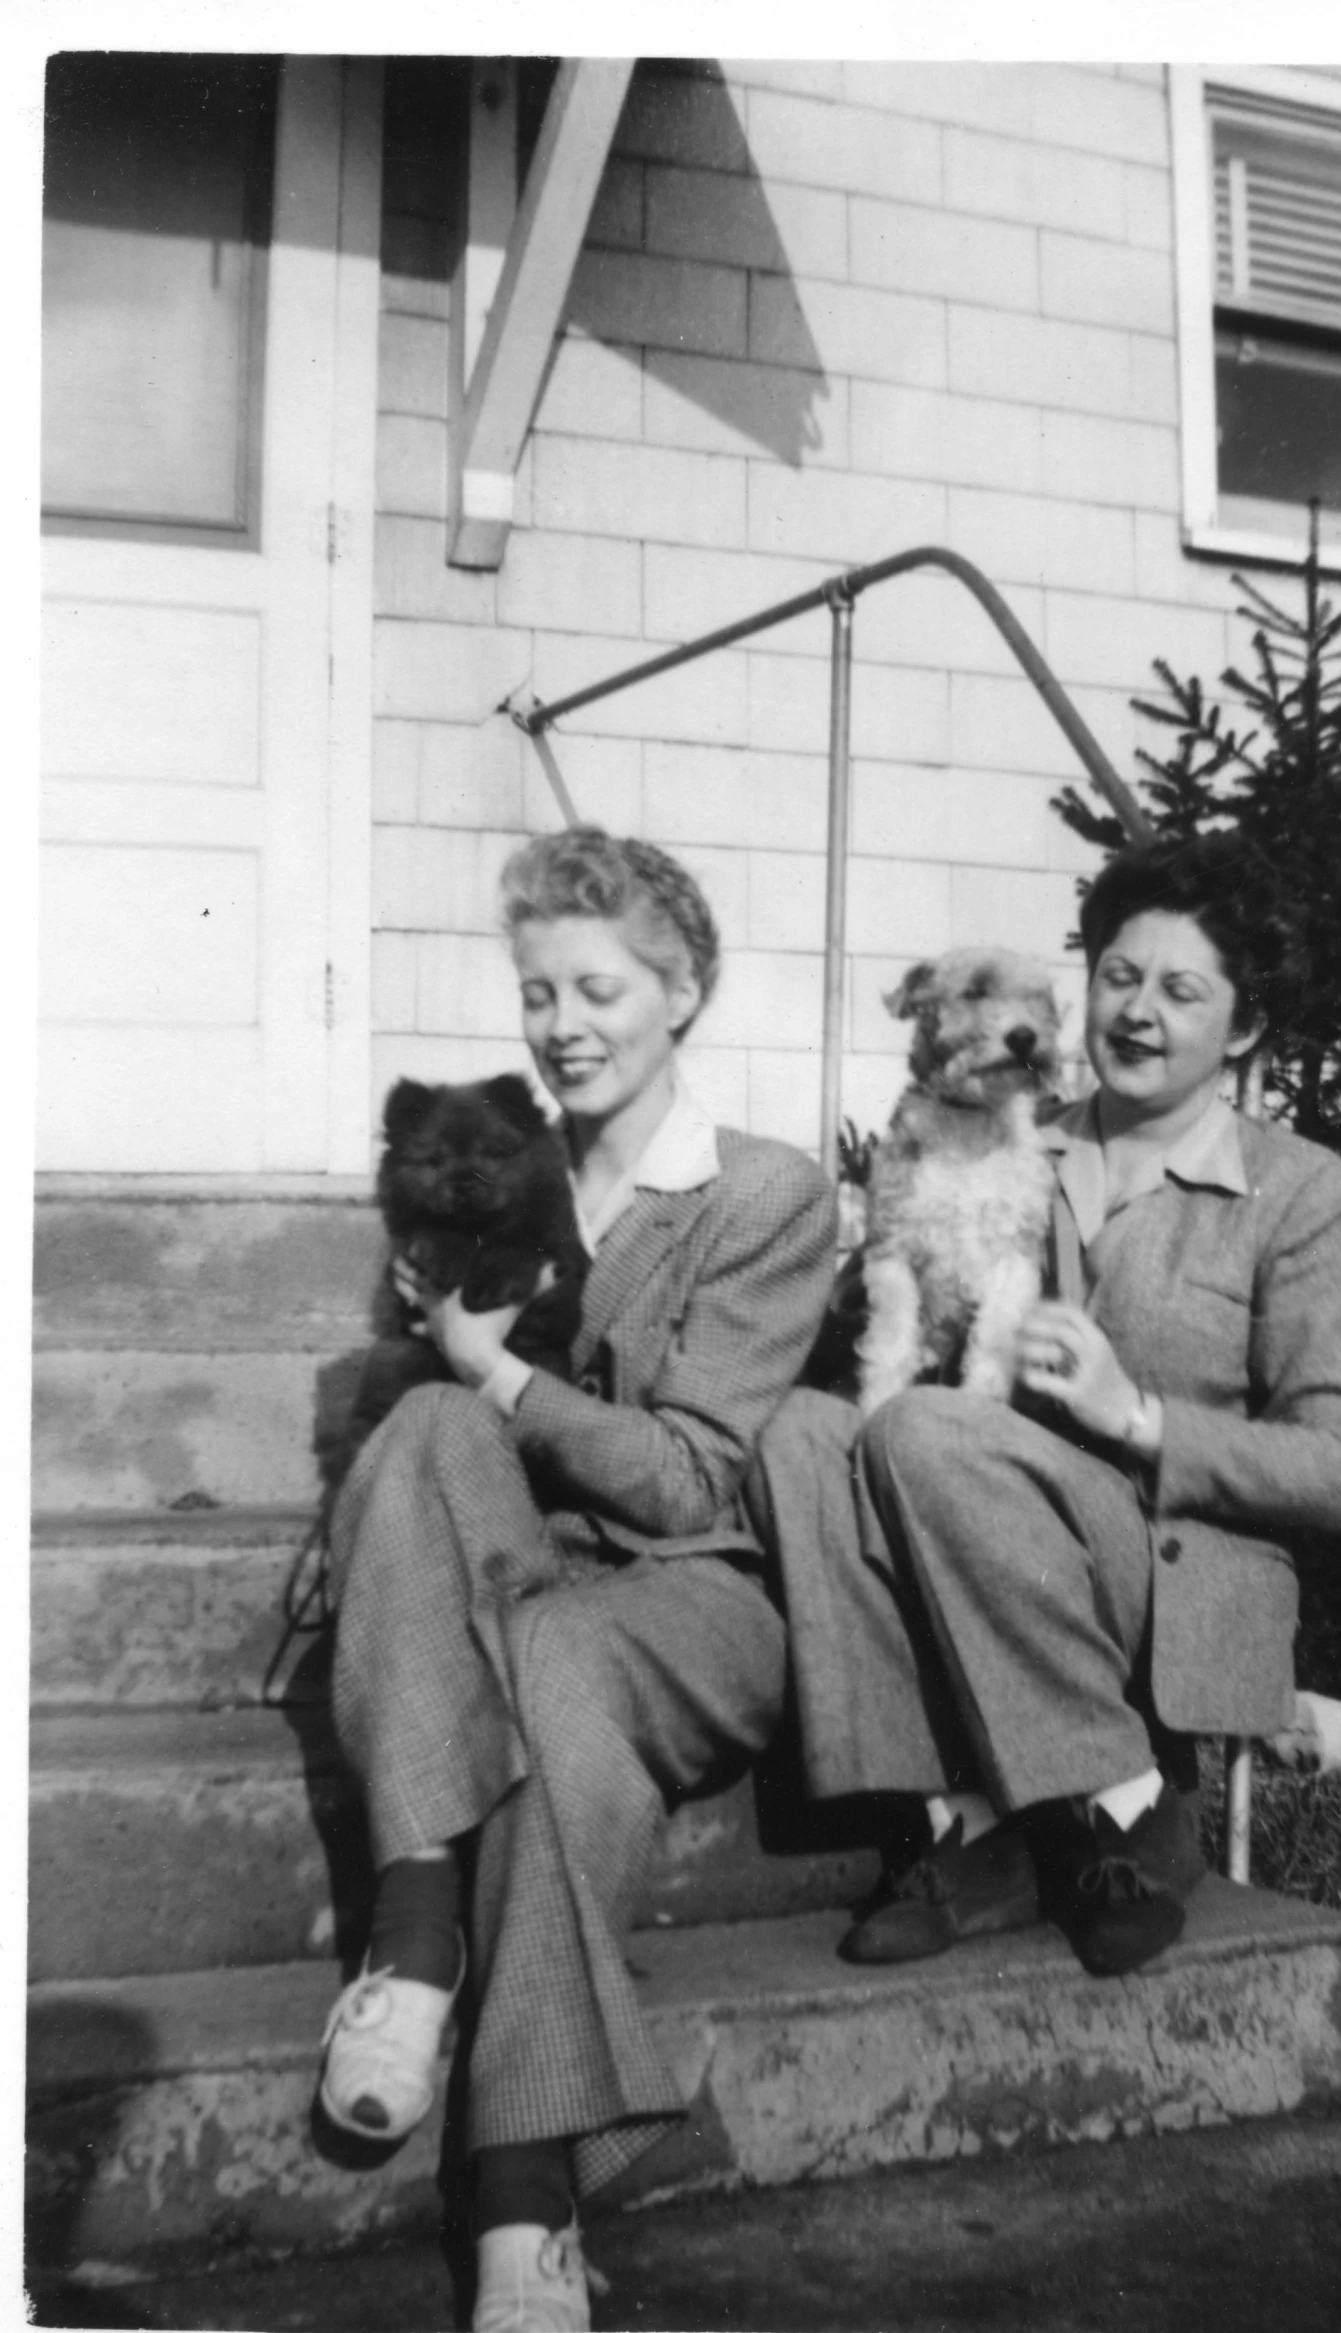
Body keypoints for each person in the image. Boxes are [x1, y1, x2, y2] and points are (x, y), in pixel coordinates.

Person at [318, 829, 836, 2333]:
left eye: (598, 985)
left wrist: (493, 1370)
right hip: (514, 1571)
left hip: (688, 1598)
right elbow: (434, 1430)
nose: (562, 1021)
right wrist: (452, 1375)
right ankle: (418, 1945)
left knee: (549, 1650)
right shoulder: (490, 1166)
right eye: (538, 989)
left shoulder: (761, 1195)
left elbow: (689, 1477)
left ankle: (524, 2187)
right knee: (418, 1423)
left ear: (681, 990)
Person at [748, 833, 1341, 1977]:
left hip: (1163, 1568)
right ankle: (961, 1822)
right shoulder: (998, 1134)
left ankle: (1127, 1804)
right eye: (1118, 977)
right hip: (977, 1523)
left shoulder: (1299, 1192)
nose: (1136, 1012)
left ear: (1241, 1028)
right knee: (804, 1432)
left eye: (1181, 990)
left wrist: (1135, 1413)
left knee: (924, 1426)